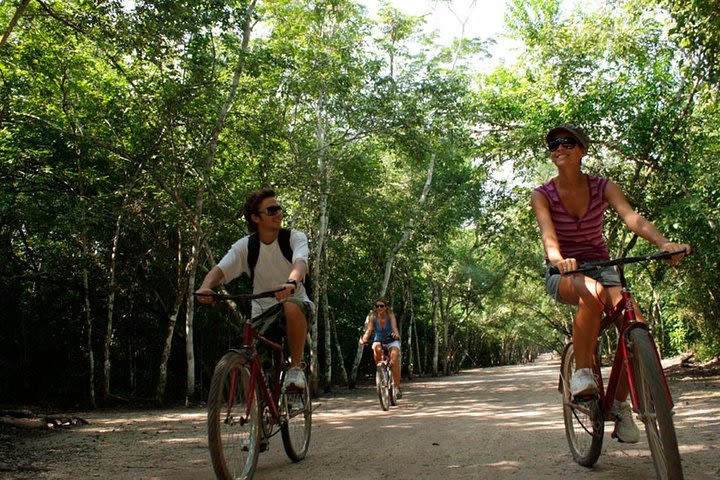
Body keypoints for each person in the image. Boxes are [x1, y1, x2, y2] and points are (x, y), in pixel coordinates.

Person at [530, 123, 691, 444]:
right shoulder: (542, 195)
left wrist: (663, 243)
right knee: (593, 293)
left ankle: (620, 406)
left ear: (583, 150)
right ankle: (582, 373)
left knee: (636, 327)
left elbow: (633, 218)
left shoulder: (603, 186)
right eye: (553, 144)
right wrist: (559, 259)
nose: (559, 147)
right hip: (563, 273)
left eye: (568, 142)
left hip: (602, 266)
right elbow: (548, 235)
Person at [195, 187, 312, 390]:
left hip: (297, 305)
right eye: (271, 210)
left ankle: (295, 368)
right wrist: (205, 287)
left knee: (290, 305)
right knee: (254, 363)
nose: (278, 213)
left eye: (279, 208)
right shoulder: (245, 246)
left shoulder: (294, 238)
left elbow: (300, 263)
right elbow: (220, 270)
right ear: (255, 218)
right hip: (262, 311)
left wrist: (291, 283)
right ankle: (258, 412)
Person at [359, 299, 402, 399]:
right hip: (379, 340)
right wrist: (363, 339)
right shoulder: (373, 317)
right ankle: (381, 371)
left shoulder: (390, 315)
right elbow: (369, 330)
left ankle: (397, 386)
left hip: (391, 340)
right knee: (376, 349)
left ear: (385, 307)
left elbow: (394, 327)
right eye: (377, 306)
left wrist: (396, 335)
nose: (379, 308)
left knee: (394, 358)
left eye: (381, 306)